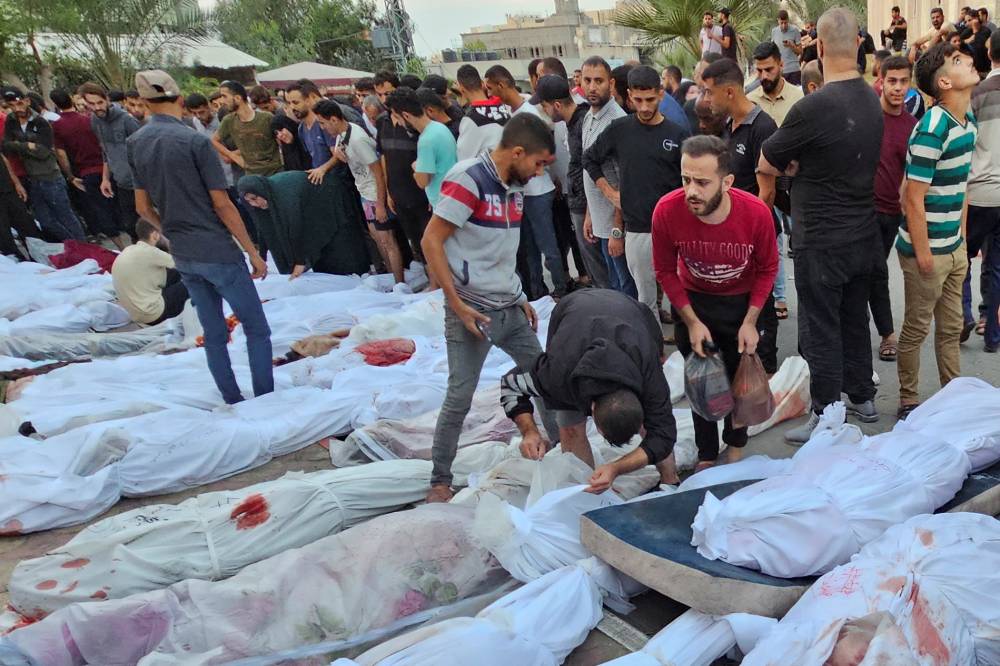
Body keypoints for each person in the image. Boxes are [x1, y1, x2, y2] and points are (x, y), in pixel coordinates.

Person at [760, 7, 883, 442]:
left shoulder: (812, 107)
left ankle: (828, 414)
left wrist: (794, 167)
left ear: (819, 45)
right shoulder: (873, 98)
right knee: (853, 318)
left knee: (823, 327)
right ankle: (862, 396)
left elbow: (766, 161)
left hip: (822, 239)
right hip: (862, 233)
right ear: (857, 44)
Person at [421, 113, 557, 502]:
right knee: (459, 396)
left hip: (509, 306)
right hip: (472, 313)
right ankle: (440, 480)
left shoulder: (514, 185)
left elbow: (501, 251)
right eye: (539, 163)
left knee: (545, 379)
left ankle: (561, 452)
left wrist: (519, 297)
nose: (540, 172)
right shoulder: (469, 179)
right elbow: (432, 241)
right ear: (517, 152)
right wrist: (456, 305)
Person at [128, 69, 273, 405]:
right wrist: (252, 251)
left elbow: (141, 206)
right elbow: (222, 204)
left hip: (183, 250)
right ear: (181, 101)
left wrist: (169, 229)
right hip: (217, 248)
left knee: (214, 332)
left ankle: (232, 398)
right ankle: (266, 399)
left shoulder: (136, 142)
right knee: (256, 328)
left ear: (146, 105)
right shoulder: (194, 141)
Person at [653, 135, 777, 467]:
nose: (692, 190)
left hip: (741, 305)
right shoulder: (666, 210)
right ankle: (706, 453)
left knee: (740, 380)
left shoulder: (756, 213)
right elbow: (665, 271)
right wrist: (692, 322)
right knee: (702, 381)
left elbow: (768, 268)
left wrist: (751, 321)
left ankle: (735, 445)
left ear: (727, 181)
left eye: (703, 182)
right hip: (693, 303)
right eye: (686, 179)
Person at [501, 288, 680, 490]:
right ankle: (585, 488)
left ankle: (670, 480)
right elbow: (511, 384)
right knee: (570, 427)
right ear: (592, 409)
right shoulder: (557, 376)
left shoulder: (649, 376)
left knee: (656, 425)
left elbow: (663, 436)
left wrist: (616, 467)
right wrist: (530, 432)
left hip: (630, 310)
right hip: (572, 310)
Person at [896, 44, 979, 418]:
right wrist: (925, 254)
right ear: (944, 82)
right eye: (959, 61)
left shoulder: (968, 119)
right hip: (925, 250)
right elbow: (912, 198)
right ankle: (909, 400)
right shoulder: (932, 128)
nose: (970, 61)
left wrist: (960, 240)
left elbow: (961, 185)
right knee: (916, 327)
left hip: (954, 247)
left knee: (950, 328)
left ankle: (953, 396)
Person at [584, 65, 691, 316]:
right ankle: (653, 353)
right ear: (630, 95)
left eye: (650, 100)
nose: (644, 107)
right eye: (638, 99)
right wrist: (610, 193)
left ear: (661, 95)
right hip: (638, 230)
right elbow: (590, 159)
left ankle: (687, 349)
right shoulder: (620, 129)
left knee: (682, 297)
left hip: (674, 230)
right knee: (645, 299)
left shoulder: (678, 134)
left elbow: (691, 180)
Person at [700, 58, 781, 374]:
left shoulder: (763, 127)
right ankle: (740, 358)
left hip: (754, 233)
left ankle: (767, 366)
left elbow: (768, 192)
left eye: (710, 92)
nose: (707, 100)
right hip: (728, 232)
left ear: (730, 92)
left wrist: (750, 232)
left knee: (761, 299)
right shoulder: (726, 126)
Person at [486, 65, 569, 299]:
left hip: (539, 192)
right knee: (529, 246)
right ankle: (537, 291)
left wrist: (546, 174)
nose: (491, 94)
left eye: (491, 88)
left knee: (547, 244)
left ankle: (561, 289)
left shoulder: (529, 115)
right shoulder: (514, 114)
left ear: (502, 85)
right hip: (522, 192)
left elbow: (547, 154)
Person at [314, 99, 404, 283]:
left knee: (387, 240)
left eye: (322, 123)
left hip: (374, 193)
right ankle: (391, 279)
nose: (322, 128)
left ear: (333, 119)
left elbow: (378, 172)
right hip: (364, 193)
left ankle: (399, 282)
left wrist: (380, 203)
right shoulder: (342, 135)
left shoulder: (358, 139)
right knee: (378, 238)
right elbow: (341, 154)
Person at [536, 74, 609, 289]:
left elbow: (593, 169)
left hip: (589, 207)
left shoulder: (583, 123)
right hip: (580, 203)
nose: (545, 112)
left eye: (545, 106)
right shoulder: (573, 123)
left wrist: (589, 212)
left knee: (599, 267)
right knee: (593, 265)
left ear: (556, 105)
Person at [237, 170, 370, 278]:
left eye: (254, 199)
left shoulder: (285, 197)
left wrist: (301, 262)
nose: (254, 204)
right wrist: (262, 260)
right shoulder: (268, 196)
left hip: (330, 197)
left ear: (260, 190)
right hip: (311, 205)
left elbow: (295, 228)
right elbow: (265, 229)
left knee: (340, 247)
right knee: (324, 265)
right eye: (249, 201)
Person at [872, 55, 917, 365]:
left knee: (874, 271)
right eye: (892, 81)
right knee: (874, 270)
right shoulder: (868, 117)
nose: (897, 88)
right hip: (862, 210)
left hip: (893, 213)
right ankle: (888, 334)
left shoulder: (914, 127)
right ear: (881, 81)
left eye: (903, 82)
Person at [580, 56, 634, 296]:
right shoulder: (588, 117)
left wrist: (616, 231)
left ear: (611, 84)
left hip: (616, 227)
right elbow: (590, 171)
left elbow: (624, 182)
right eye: (587, 80)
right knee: (614, 286)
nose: (592, 87)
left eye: (599, 81)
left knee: (625, 287)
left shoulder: (618, 121)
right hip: (601, 223)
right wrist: (590, 215)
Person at [2, 87, 86, 241]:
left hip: (50, 177)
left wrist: (19, 145)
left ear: (27, 101)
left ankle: (84, 246)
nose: (16, 108)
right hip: (32, 178)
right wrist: (29, 145)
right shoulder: (11, 121)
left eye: (19, 103)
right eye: (11, 106)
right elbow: (6, 146)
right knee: (45, 221)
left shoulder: (40, 121)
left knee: (65, 215)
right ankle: (72, 243)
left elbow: (43, 151)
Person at [50, 88, 129, 248]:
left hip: (88, 173)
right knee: (122, 208)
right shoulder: (90, 119)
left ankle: (122, 248)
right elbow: (104, 146)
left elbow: (61, 154)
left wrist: (70, 176)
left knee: (103, 213)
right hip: (110, 169)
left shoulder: (59, 126)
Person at [374, 71, 432, 263]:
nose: (384, 99)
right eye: (380, 94)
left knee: (429, 241)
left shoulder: (414, 123)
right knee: (414, 241)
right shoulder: (382, 122)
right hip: (398, 194)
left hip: (421, 193)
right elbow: (384, 157)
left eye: (388, 93)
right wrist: (389, 192)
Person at [965, 34, 1000, 352]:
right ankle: (992, 330)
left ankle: (962, 316)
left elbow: (966, 142)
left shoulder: (978, 94)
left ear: (989, 53)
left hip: (980, 192)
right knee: (996, 265)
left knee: (962, 259)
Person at [79, 81, 142, 239]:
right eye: (91, 104)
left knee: (148, 225)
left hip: (140, 182)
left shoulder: (126, 120)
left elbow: (143, 150)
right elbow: (105, 150)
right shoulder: (95, 121)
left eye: (100, 102)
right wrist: (105, 178)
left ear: (106, 99)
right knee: (131, 227)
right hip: (121, 182)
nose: (97, 107)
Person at [384, 86, 457, 210]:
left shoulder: (426, 140)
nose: (399, 123)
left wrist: (416, 167)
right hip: (452, 196)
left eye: (397, 117)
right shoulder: (439, 127)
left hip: (443, 205)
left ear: (406, 116)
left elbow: (422, 182)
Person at [111, 218, 189, 325]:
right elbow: (186, 265)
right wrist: (170, 244)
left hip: (138, 314)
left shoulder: (130, 250)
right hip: (153, 314)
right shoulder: (150, 252)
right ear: (155, 235)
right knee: (193, 282)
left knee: (175, 274)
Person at [211, 80, 282, 177]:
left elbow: (281, 143)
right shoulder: (229, 120)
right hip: (252, 177)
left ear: (238, 98)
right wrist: (233, 156)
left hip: (276, 173)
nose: (222, 101)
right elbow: (214, 141)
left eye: (224, 96)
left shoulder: (266, 117)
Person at [455, 64, 512, 161]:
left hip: (491, 172)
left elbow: (463, 160)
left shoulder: (471, 119)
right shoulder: (504, 108)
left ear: (462, 89)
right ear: (482, 83)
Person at [284, 81, 338, 183]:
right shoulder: (301, 129)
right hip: (319, 180)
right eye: (289, 103)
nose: (292, 107)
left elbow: (338, 154)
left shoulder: (322, 124)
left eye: (295, 102)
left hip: (336, 180)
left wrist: (323, 169)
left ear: (308, 100)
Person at [748, 41, 805, 126]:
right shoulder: (750, 102)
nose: (764, 76)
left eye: (769, 69)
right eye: (759, 71)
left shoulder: (799, 99)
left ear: (781, 65)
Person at [0, 153, 39, 260]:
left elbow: (3, 158)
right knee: (4, 236)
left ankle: (39, 258)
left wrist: (17, 183)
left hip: (9, 190)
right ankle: (20, 265)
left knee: (28, 227)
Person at [772, 10, 803, 85]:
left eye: (785, 23)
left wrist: (792, 45)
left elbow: (800, 52)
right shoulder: (774, 31)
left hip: (794, 70)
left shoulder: (795, 30)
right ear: (778, 21)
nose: (783, 25)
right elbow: (773, 50)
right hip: (781, 72)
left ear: (788, 20)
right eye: (781, 23)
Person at [964, 10, 993, 75]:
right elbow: (958, 40)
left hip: (982, 70)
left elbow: (978, 49)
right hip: (970, 68)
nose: (967, 24)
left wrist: (975, 31)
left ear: (976, 19)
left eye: (969, 20)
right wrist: (966, 41)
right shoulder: (968, 30)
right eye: (966, 21)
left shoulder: (985, 31)